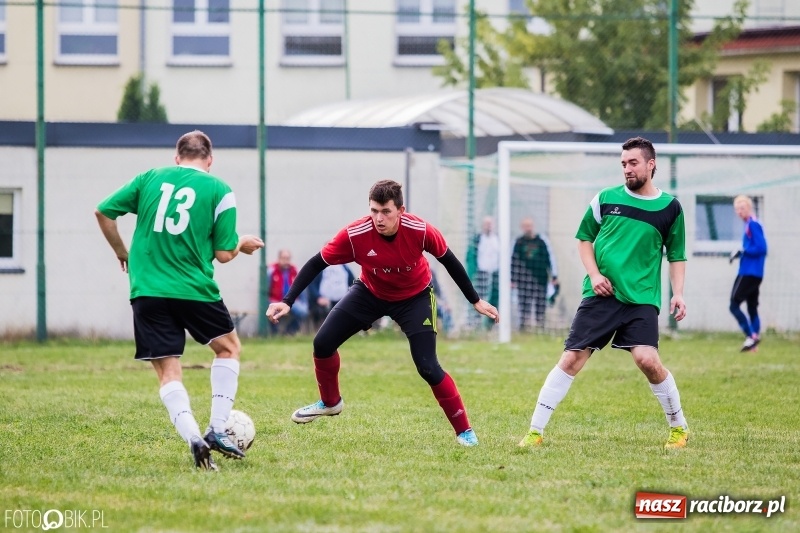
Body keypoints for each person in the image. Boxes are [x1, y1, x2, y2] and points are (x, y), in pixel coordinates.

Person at [266, 179, 499, 447]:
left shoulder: (420, 230)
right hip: (369, 293)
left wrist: (475, 300)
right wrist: (288, 301)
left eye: (386, 211)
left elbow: (449, 260)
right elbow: (317, 262)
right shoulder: (355, 234)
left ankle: (464, 431)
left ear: (401, 210)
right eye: (374, 210)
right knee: (323, 343)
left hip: (415, 298)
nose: (379, 218)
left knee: (428, 367)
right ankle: (331, 402)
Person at [94, 130, 264, 471]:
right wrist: (241, 243)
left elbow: (103, 212)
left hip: (148, 291)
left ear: (177, 157)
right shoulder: (220, 190)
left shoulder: (149, 178)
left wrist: (121, 251)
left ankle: (193, 438)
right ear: (210, 160)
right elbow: (223, 254)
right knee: (228, 348)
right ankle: (216, 429)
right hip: (193, 289)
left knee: (168, 371)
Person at [518, 137, 690, 450]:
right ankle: (534, 432)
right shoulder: (606, 198)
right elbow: (584, 238)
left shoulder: (670, 208)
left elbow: (677, 254)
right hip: (601, 294)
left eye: (633, 163)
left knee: (648, 360)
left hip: (641, 299)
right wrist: (594, 274)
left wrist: (678, 293)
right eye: (623, 163)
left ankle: (678, 428)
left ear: (651, 164)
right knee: (571, 359)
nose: (627, 169)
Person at [728, 195, 767, 352]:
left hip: (748, 272)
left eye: (742, 208)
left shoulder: (752, 225)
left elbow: (762, 248)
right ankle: (754, 343)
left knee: (733, 304)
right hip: (756, 273)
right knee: (752, 307)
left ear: (749, 208)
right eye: (737, 209)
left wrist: (742, 251)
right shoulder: (750, 224)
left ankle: (750, 337)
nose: (739, 211)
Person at [511, 217, 559, 331]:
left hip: (540, 278)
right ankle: (523, 328)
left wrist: (554, 276)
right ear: (522, 228)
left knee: (540, 304)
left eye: (530, 226)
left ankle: (540, 327)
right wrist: (512, 279)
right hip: (523, 280)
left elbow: (550, 259)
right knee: (523, 305)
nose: (528, 228)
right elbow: (512, 261)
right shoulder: (518, 242)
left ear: (533, 226)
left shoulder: (542, 241)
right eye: (526, 226)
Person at [466, 216, 500, 329]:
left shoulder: (498, 239)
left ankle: (491, 324)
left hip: (495, 273)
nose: (488, 226)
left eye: (490, 224)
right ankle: (475, 323)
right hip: (482, 273)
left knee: (494, 299)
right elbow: (470, 256)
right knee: (479, 298)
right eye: (486, 224)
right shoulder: (478, 239)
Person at [267, 249, 309, 335]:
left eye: (288, 258)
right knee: (272, 310)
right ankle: (274, 334)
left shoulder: (295, 271)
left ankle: (289, 332)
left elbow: (302, 289)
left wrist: (304, 303)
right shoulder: (271, 271)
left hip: (291, 301)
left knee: (303, 311)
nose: (286, 261)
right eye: (283, 258)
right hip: (276, 300)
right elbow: (266, 289)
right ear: (279, 258)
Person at [308, 263, 356, 330]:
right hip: (324, 302)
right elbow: (312, 284)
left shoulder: (345, 267)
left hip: (342, 300)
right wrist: (318, 297)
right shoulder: (321, 267)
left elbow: (353, 283)